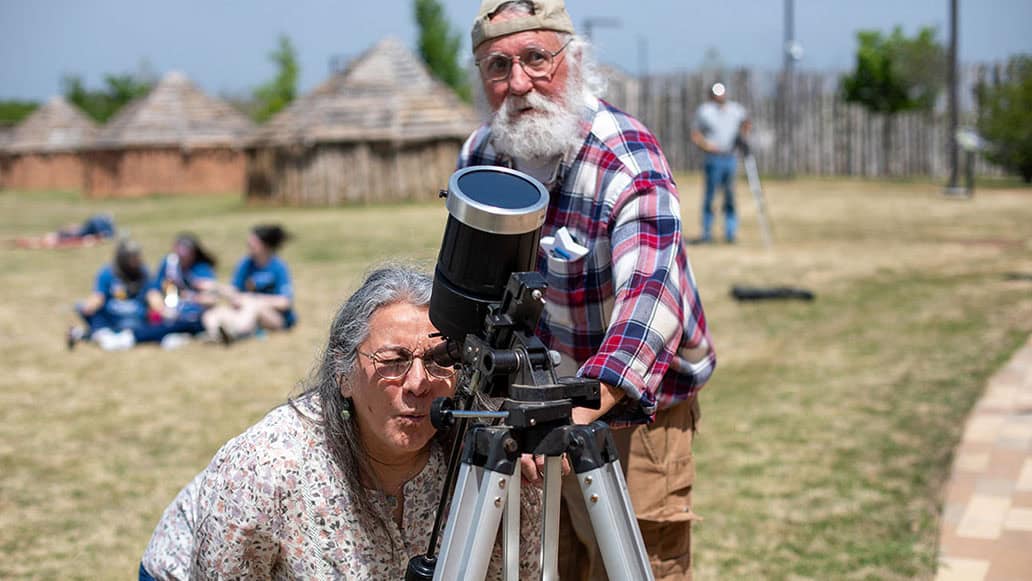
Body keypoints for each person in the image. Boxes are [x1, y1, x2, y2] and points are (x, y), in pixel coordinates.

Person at [459, 1, 717, 579]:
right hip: (533, 401)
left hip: (634, 407)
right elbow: (470, 291)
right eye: (497, 66)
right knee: (547, 560)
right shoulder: (482, 156)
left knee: (635, 562)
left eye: (535, 58)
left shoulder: (625, 155)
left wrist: (582, 407)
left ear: (573, 60)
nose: (518, 82)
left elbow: (651, 298)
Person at [139, 266, 543, 579]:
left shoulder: (488, 455)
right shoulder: (265, 469)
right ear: (343, 375)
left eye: (439, 360)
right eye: (393, 362)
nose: (419, 383)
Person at [202, 224, 296, 343]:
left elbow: (285, 302)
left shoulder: (278, 266)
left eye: (253, 243)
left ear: (265, 245)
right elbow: (234, 291)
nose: (249, 245)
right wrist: (215, 287)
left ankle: (234, 332)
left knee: (253, 305)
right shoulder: (245, 264)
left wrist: (252, 298)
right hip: (246, 311)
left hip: (275, 318)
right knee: (212, 314)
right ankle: (218, 334)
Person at [690, 81, 751, 244]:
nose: (720, 96)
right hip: (713, 158)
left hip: (730, 157)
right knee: (710, 196)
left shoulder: (736, 109)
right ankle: (706, 233)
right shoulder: (705, 111)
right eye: (716, 94)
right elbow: (695, 134)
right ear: (711, 95)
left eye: (721, 93)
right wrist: (706, 145)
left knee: (730, 196)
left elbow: (746, 122)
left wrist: (742, 137)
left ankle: (730, 232)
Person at [67, 238, 152, 351]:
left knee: (115, 331)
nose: (136, 260)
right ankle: (93, 334)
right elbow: (98, 297)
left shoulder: (143, 272)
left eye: (136, 256)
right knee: (81, 305)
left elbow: (152, 294)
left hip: (134, 318)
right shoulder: (108, 273)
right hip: (112, 315)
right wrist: (86, 308)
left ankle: (82, 334)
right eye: (132, 257)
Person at [143, 233, 219, 348]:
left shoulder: (201, 269)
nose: (182, 258)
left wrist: (193, 297)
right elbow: (153, 292)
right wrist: (162, 309)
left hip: (195, 317)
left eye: (186, 253)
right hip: (171, 314)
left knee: (167, 330)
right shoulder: (169, 265)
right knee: (157, 323)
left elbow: (212, 299)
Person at [15, 212, 117, 249]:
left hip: (81, 231)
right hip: (74, 234)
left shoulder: (93, 225)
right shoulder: (96, 227)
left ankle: (45, 238)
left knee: (73, 233)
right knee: (71, 233)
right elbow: (102, 236)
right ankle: (45, 239)